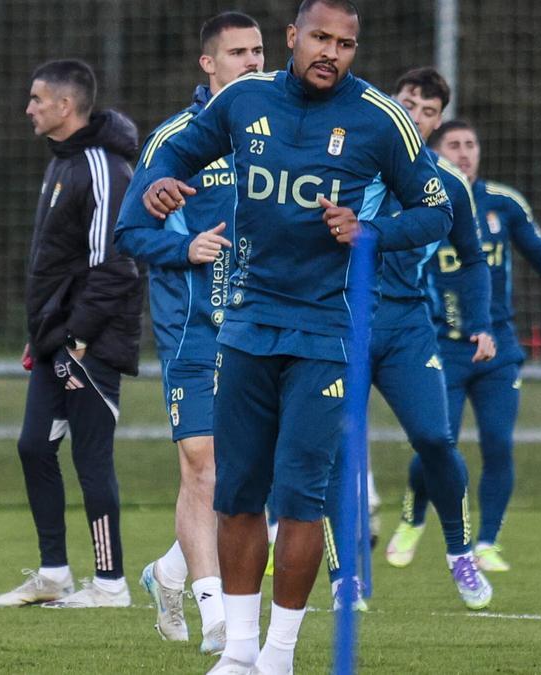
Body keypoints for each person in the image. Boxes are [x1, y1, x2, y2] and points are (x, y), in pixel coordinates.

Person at [120, 1, 456, 671]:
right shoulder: (246, 101)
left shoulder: (378, 119)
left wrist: (372, 232)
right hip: (246, 325)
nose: (332, 51)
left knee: (301, 496)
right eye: (321, 37)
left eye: (347, 43)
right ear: (292, 38)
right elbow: (182, 149)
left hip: (326, 330)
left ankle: (280, 653)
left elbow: (436, 207)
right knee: (238, 493)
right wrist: (160, 182)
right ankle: (239, 653)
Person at [114, 11, 263, 653]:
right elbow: (130, 232)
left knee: (253, 477)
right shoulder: (175, 140)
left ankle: (168, 571)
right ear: (209, 63)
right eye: (237, 53)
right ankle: (217, 616)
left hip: (265, 326)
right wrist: (187, 249)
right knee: (201, 464)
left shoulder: (280, 133)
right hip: (192, 328)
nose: (252, 63)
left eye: (259, 51)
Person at [325, 66, 496, 611]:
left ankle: (460, 552)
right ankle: (343, 577)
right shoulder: (352, 156)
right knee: (327, 452)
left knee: (435, 439)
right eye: (407, 102)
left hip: (404, 327)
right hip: (338, 320)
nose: (415, 115)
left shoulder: (448, 183)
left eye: (427, 110)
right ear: (390, 102)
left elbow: (472, 259)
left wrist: (481, 321)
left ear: (437, 120)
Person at [0, 59, 143, 609]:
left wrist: (77, 338)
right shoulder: (62, 164)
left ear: (64, 106)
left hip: (90, 342)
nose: (28, 107)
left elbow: (117, 265)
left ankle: (110, 584)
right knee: (34, 446)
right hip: (58, 340)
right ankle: (54, 574)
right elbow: (58, 265)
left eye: (36, 98)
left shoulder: (103, 167)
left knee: (91, 458)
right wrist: (43, 334)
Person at [399, 118, 541, 573]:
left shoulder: (503, 203)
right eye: (453, 145)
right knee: (438, 443)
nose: (464, 153)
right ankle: (413, 513)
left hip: (498, 347)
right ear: (437, 153)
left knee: (498, 443)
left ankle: (487, 543)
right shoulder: (424, 201)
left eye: (471, 144)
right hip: (442, 345)